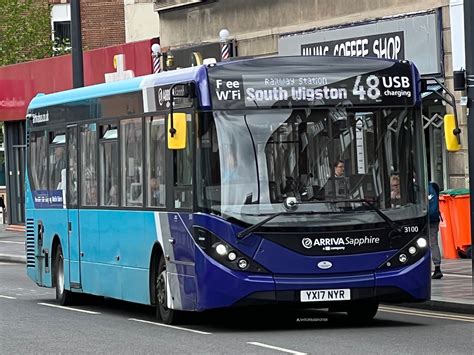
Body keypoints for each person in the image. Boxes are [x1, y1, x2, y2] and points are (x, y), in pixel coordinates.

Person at [428, 181, 443, 279]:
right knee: (434, 243)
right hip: (435, 219)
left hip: (427, 220)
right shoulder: (433, 186)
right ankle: (437, 267)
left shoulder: (421, 188)